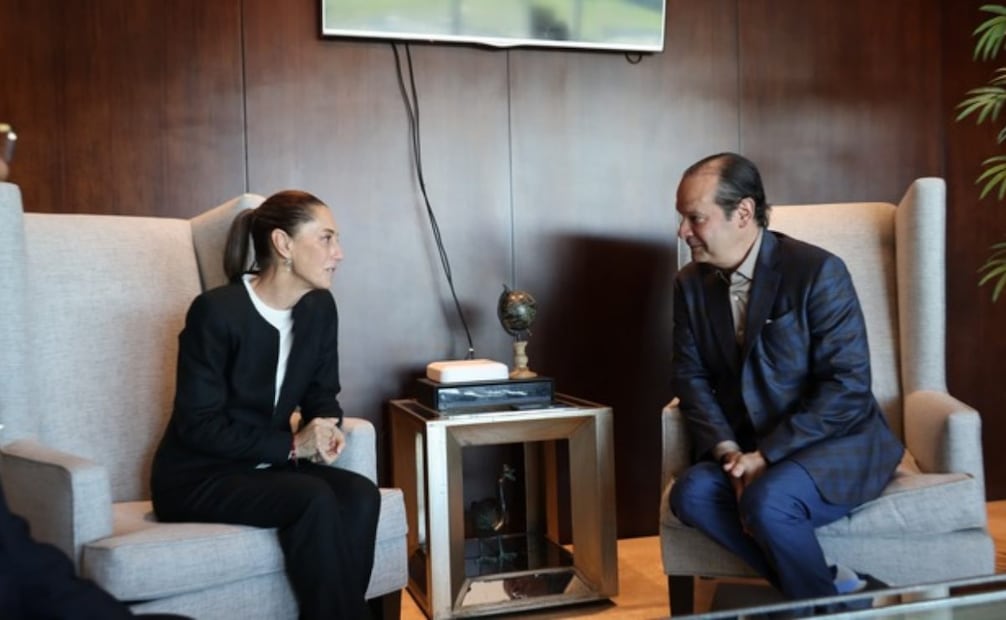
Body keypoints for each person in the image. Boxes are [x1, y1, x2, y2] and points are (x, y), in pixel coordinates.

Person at [668, 153, 904, 611]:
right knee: (691, 492)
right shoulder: (689, 285)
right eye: (682, 218)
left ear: (743, 213)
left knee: (767, 501)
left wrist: (767, 456)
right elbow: (690, 378)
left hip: (838, 441)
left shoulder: (819, 271)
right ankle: (838, 592)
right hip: (747, 448)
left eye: (695, 217)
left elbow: (847, 387)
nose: (683, 231)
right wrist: (730, 453)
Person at [150, 190, 381, 619]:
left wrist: (325, 426)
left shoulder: (319, 309)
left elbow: (322, 393)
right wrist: (294, 447)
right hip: (195, 478)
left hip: (262, 469)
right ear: (283, 245)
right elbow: (197, 425)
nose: (339, 253)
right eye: (326, 238)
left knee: (362, 495)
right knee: (311, 496)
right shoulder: (216, 313)